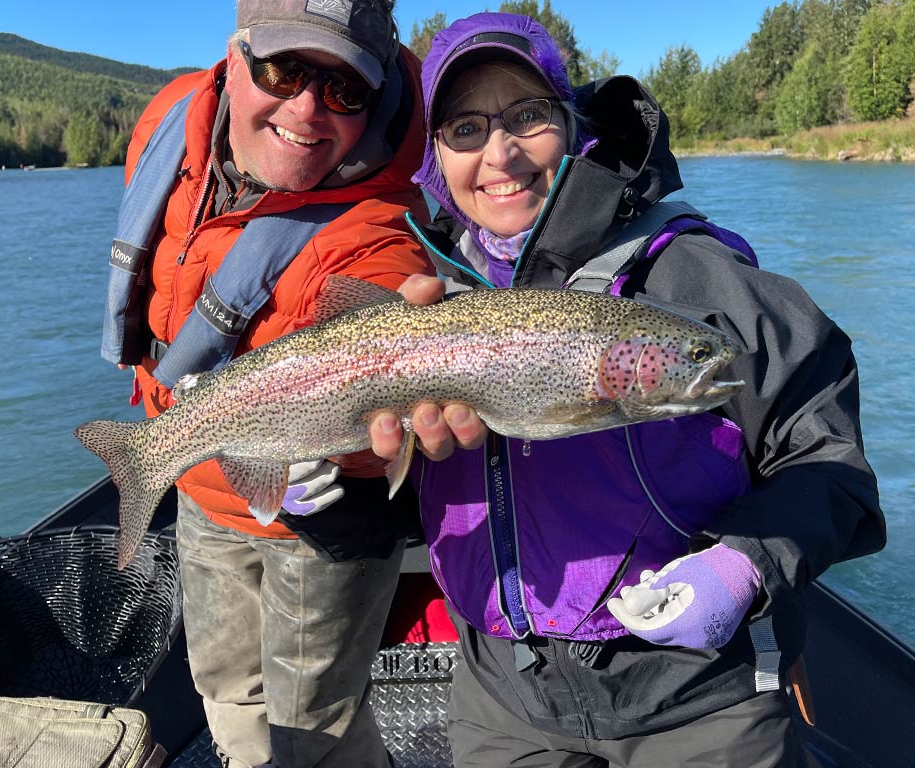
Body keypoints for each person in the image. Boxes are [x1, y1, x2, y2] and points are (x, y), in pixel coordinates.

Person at [367, 12, 885, 768]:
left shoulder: (699, 277)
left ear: (572, 121)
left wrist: (742, 564)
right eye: (466, 127)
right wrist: (329, 481)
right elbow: (391, 513)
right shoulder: (426, 300)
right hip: (502, 695)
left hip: (698, 698)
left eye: (528, 114)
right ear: (434, 159)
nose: (501, 151)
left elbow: (832, 465)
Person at [99, 1, 432, 766]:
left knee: (318, 727)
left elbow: (385, 407)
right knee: (226, 692)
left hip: (320, 522)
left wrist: (353, 457)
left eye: (345, 90)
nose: (308, 110)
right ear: (235, 56)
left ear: (376, 98)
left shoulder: (382, 235)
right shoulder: (165, 121)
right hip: (201, 477)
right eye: (283, 71)